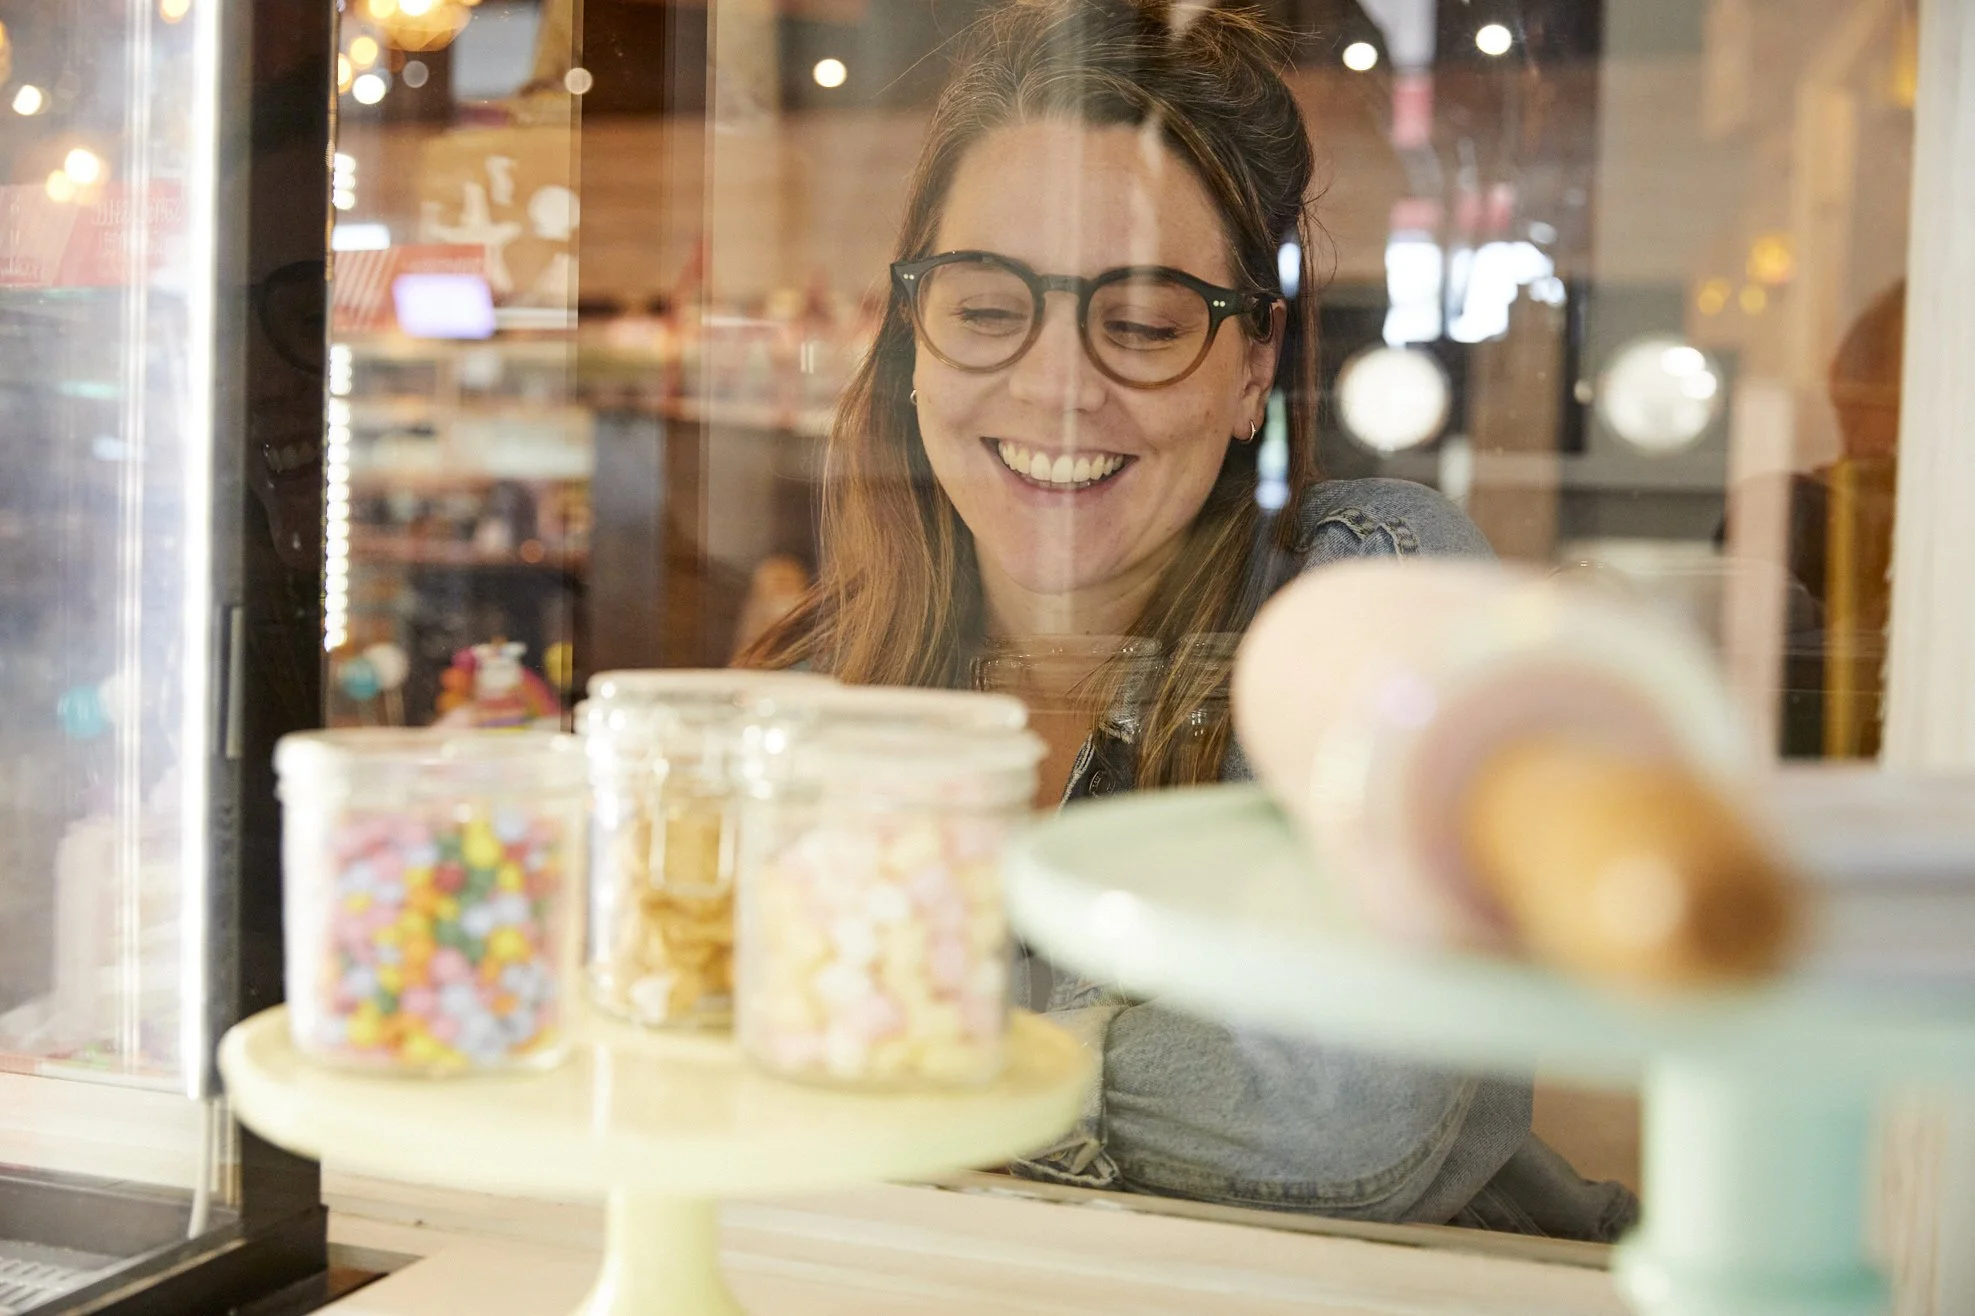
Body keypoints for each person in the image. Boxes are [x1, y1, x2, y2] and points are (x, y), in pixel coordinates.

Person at [742, 0, 1635, 1240]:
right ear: (915, 338)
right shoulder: (823, 683)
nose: (1055, 384)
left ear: (1252, 368)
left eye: (1144, 323)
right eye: (990, 309)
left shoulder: (1369, 591)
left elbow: (1345, 1106)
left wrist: (891, 1061)